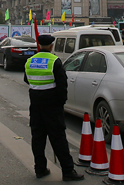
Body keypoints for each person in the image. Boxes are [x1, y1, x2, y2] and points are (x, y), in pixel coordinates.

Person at [22, 35, 83, 181]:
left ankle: (40, 169)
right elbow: (62, 85)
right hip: (52, 107)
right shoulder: (54, 61)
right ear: (51, 46)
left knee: (38, 139)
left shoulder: (30, 61)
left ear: (39, 45)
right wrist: (61, 103)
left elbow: (26, 79)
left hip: (35, 106)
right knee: (58, 139)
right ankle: (68, 171)